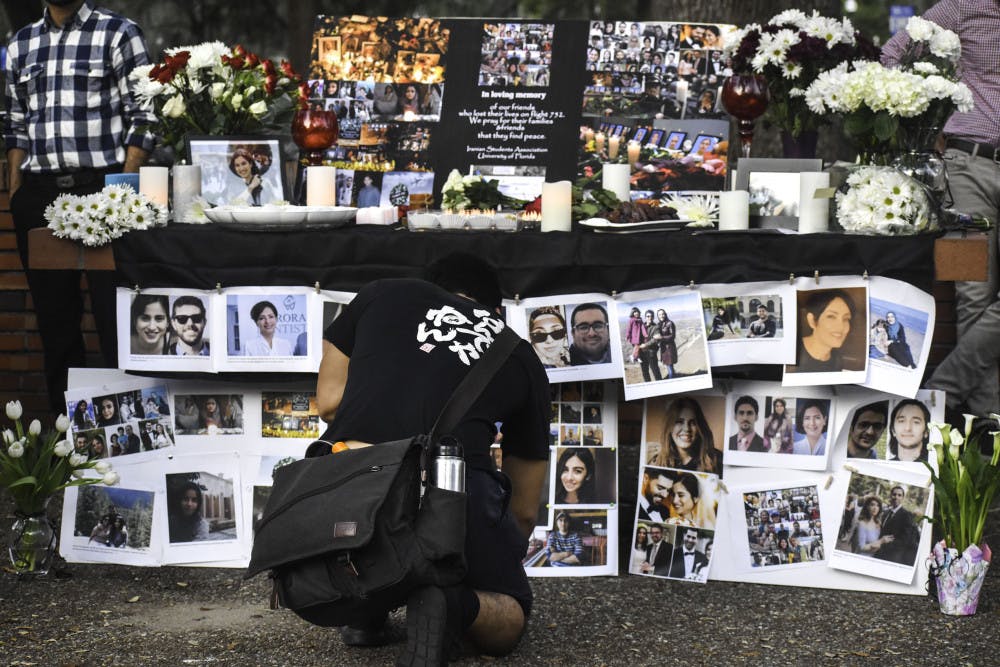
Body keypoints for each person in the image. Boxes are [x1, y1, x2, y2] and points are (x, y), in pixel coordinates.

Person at [314, 252, 549, 662]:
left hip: (350, 493)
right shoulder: (519, 352)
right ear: (497, 311)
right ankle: (452, 605)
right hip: (451, 494)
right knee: (510, 612)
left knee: (367, 479)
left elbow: (329, 404)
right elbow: (525, 511)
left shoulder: (379, 294)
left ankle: (366, 607)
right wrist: (494, 557)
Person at [3, 0, 154, 414]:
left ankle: (130, 442)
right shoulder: (21, 44)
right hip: (39, 194)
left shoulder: (119, 33)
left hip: (102, 188)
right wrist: (16, 190)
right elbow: (15, 124)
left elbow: (144, 115)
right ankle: (67, 445)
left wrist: (121, 186)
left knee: (115, 319)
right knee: (56, 325)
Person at [883, 7, 1000, 417]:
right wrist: (925, 116)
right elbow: (894, 52)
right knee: (974, 293)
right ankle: (986, 421)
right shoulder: (965, 5)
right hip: (969, 163)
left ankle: (943, 389)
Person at [648, 397, 721, 475]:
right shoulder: (656, 461)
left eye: (692, 422)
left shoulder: (717, 459)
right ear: (669, 427)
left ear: (700, 426)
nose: (687, 429)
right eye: (679, 422)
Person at [792, 290, 855, 372]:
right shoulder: (793, 352)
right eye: (831, 317)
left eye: (846, 319)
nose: (841, 326)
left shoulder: (836, 359)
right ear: (812, 320)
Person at [874, 485, 921, 565]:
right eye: (894, 494)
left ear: (903, 498)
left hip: (892, 557)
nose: (896, 497)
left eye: (899, 495)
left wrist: (884, 544)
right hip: (879, 553)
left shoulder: (906, 515)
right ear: (890, 496)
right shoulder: (886, 513)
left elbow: (905, 540)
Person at [636, 310, 663, 382]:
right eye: (648, 316)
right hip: (642, 353)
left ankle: (661, 386)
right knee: (645, 372)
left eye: (651, 316)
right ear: (645, 317)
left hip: (651, 352)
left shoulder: (656, 327)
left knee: (655, 371)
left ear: (653, 317)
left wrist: (645, 345)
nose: (649, 318)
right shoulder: (641, 326)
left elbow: (655, 339)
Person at [655, 309, 677, 378]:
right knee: (669, 365)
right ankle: (673, 378)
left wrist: (661, 337)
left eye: (663, 314)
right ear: (658, 316)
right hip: (664, 348)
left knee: (669, 365)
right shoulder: (659, 324)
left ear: (665, 314)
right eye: (659, 314)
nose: (661, 316)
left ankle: (671, 380)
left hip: (669, 348)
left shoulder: (670, 323)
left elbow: (672, 336)